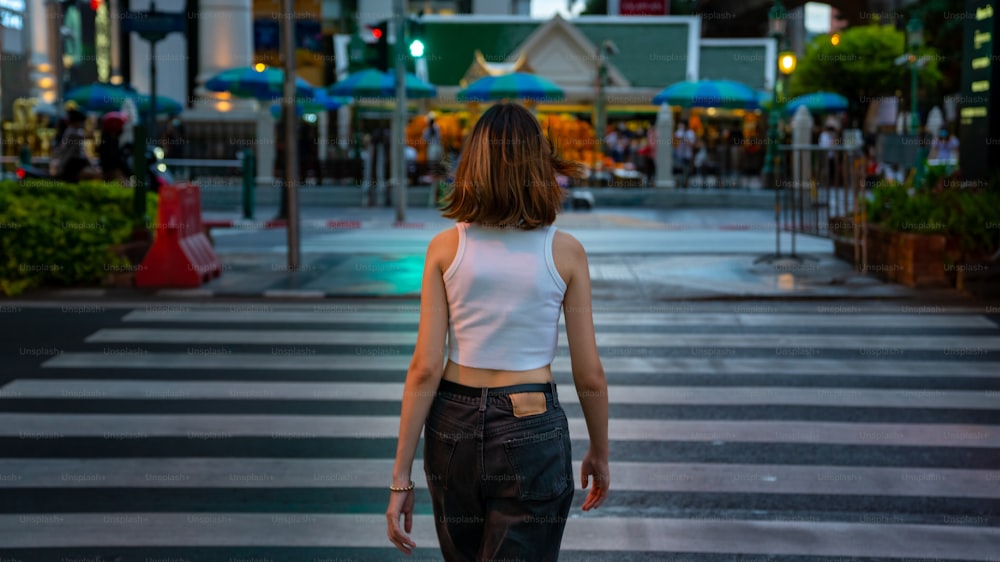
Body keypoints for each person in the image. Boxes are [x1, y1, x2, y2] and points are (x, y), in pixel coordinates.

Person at [386, 102, 610, 562]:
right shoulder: (565, 252)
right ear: (539, 166)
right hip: (532, 426)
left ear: (473, 164)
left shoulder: (446, 248)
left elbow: (425, 368)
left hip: (452, 426)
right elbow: (589, 375)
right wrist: (599, 453)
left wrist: (400, 479)